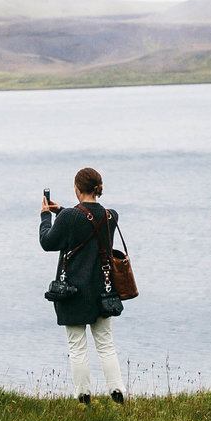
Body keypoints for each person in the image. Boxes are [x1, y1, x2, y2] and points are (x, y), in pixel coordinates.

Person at [39, 167, 126, 406]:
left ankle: (84, 397)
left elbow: (48, 242)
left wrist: (46, 216)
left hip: (73, 293)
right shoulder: (111, 216)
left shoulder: (70, 218)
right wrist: (63, 211)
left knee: (77, 347)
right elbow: (89, 221)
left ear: (77, 189)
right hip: (102, 292)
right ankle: (117, 394)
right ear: (97, 188)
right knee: (106, 345)